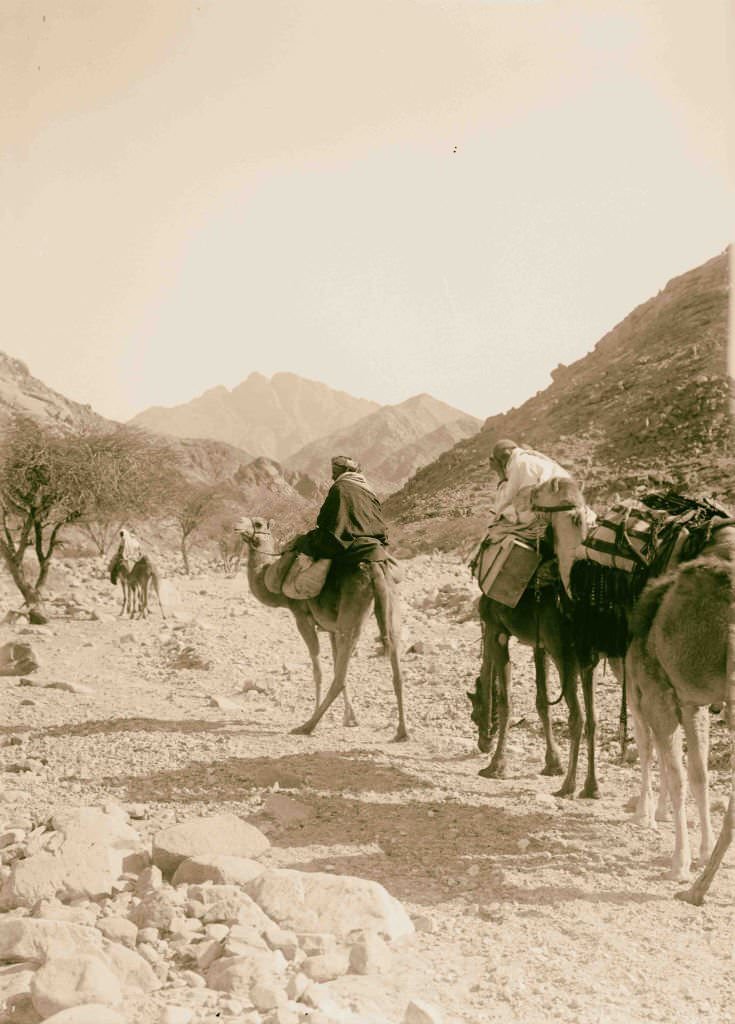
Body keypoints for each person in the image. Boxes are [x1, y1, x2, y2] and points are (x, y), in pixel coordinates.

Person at [296, 455, 389, 566]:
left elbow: (323, 519)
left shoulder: (339, 487)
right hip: (375, 538)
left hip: (343, 541)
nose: (332, 476)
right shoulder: (369, 491)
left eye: (335, 472)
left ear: (345, 471)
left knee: (302, 542)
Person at [487, 439, 571, 528]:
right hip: (566, 498)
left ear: (506, 455)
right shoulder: (534, 458)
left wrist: (500, 474)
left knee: (501, 521)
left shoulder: (517, 463)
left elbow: (505, 501)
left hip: (550, 509)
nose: (504, 467)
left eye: (502, 463)